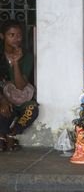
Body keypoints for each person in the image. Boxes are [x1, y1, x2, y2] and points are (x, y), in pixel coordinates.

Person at [0, 19, 38, 151]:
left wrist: (16, 62)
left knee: (33, 109)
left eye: (19, 35)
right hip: (2, 98)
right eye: (12, 35)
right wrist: (3, 99)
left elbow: (21, 86)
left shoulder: (26, 56)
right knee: (6, 110)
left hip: (20, 98)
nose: (16, 38)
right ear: (2, 36)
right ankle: (1, 136)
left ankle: (11, 135)